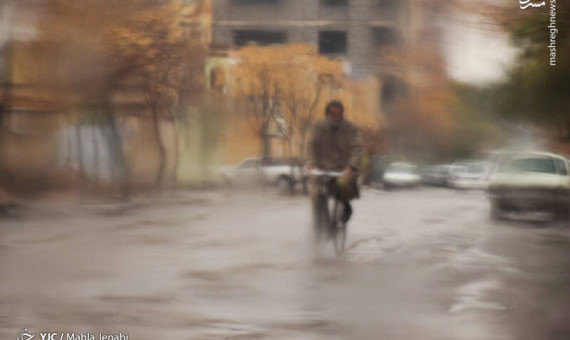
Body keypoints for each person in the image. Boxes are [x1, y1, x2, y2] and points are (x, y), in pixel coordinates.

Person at [306, 100, 364, 225]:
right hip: (322, 167)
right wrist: (311, 161)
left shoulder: (351, 128)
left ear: (342, 114)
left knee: (344, 189)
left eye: (338, 114)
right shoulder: (319, 126)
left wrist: (351, 166)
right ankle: (319, 222)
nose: (335, 117)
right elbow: (312, 144)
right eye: (332, 114)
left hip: (342, 168)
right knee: (316, 193)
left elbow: (357, 148)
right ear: (327, 114)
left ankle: (345, 207)